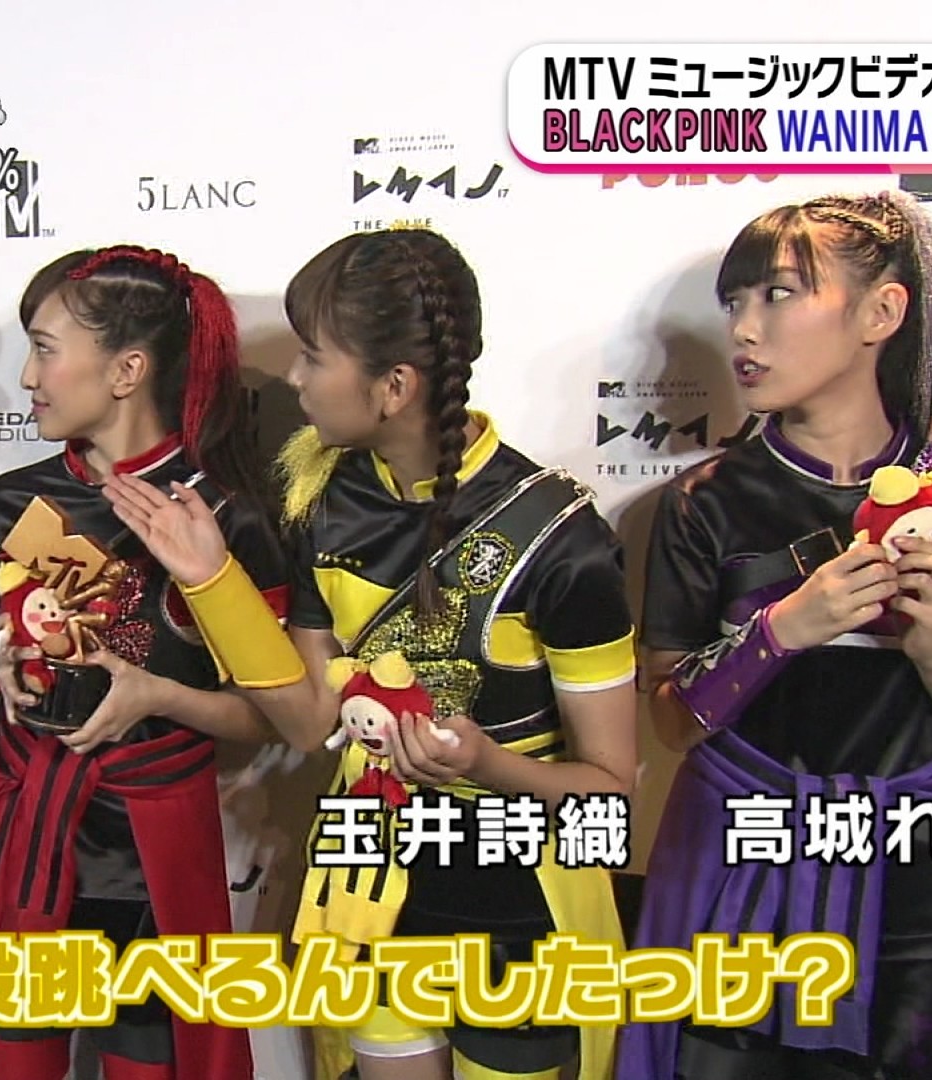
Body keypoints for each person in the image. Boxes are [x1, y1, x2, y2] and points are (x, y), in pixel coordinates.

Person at [106, 228, 639, 1080]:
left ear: (394, 387)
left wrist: (488, 763)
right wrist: (211, 581)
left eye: (315, 357)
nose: (293, 379)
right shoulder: (323, 500)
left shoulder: (560, 538)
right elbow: (307, 719)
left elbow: (610, 790)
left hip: (521, 904)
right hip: (372, 888)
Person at [615, 191, 932, 1080]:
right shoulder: (703, 504)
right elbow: (670, 720)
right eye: (734, 302)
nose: (746, 330)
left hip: (904, 880)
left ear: (882, 312)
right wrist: (783, 631)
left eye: (779, 295)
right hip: (737, 867)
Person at [0, 245, 282, 1080]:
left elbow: (265, 717)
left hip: (154, 861)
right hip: (20, 843)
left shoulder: (220, 516)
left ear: (127, 370)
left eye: (45, 350)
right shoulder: (10, 502)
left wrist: (159, 696)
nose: (26, 378)